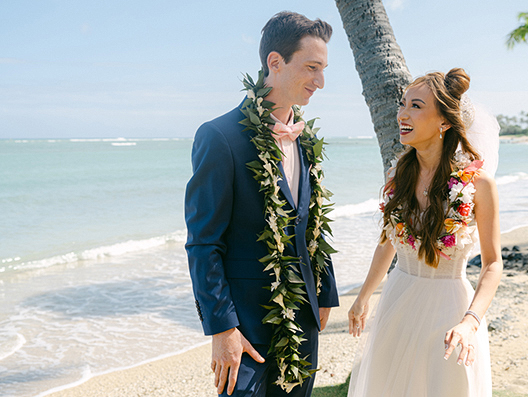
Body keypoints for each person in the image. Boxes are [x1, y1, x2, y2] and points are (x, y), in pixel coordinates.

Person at [185, 11, 337, 397]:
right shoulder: (219, 137)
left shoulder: (305, 140)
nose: (320, 81)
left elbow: (310, 220)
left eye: (323, 69)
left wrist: (325, 294)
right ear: (275, 62)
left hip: (303, 320)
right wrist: (222, 328)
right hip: (245, 328)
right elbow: (204, 242)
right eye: (312, 67)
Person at [345, 68, 501, 397]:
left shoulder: (478, 184)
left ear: (445, 122)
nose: (402, 113)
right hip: (397, 300)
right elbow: (388, 242)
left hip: (450, 311)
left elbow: (492, 264)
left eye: (416, 106)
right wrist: (362, 298)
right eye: (403, 104)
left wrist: (470, 322)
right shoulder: (398, 174)